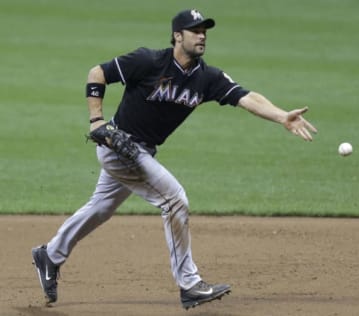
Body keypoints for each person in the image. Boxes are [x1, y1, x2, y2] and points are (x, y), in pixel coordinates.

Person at [32, 9, 317, 310]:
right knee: (174, 199)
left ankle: (49, 255)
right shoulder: (149, 61)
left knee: (101, 207)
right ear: (177, 36)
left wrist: (281, 115)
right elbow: (97, 73)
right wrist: (96, 120)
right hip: (118, 146)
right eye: (194, 30)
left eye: (205, 30)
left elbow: (246, 97)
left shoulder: (207, 77)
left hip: (140, 151)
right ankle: (190, 284)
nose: (202, 35)